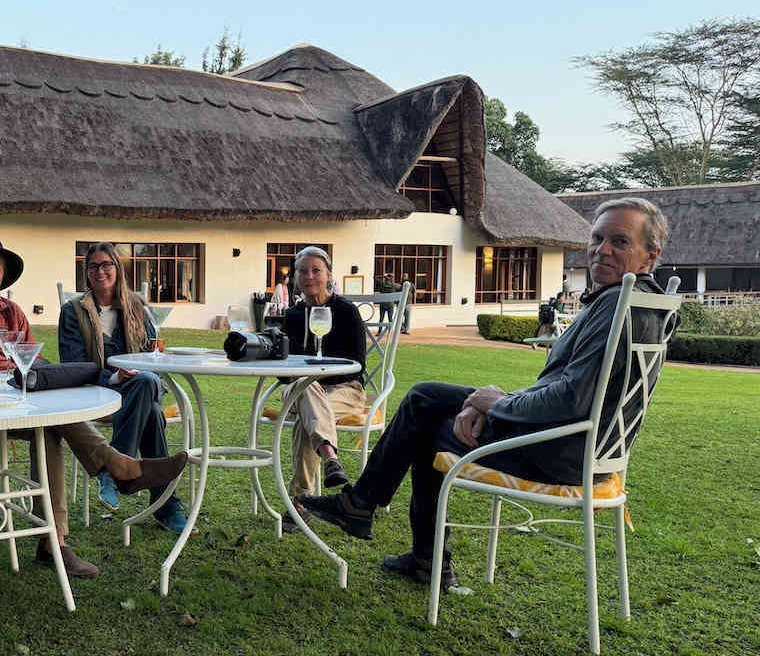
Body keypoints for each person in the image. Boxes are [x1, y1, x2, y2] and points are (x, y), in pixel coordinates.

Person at [297, 197, 671, 591]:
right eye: (597, 238)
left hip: (556, 451)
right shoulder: (642, 302)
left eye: (620, 242)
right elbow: (574, 391)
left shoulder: (617, 306)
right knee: (427, 398)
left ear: (650, 255)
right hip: (578, 445)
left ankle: (384, 523)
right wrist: (485, 401)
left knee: (424, 422)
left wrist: (498, 405)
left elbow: (569, 399)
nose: (602, 249)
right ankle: (385, 525)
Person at [0, 233, 187, 578]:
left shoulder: (13, 313)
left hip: (12, 404)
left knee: (56, 422)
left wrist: (25, 374)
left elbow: (30, 362)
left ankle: (54, 542)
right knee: (65, 421)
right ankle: (117, 469)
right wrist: (4, 371)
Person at [58, 241, 187, 532]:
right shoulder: (74, 312)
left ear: (118, 269)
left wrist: (140, 370)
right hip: (98, 393)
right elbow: (72, 364)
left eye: (106, 265)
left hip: (143, 384)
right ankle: (165, 504)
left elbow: (154, 356)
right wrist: (112, 378)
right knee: (152, 413)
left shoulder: (138, 307)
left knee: (144, 381)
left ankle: (112, 472)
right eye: (93, 266)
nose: (99, 271)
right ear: (86, 272)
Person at [281, 247, 367, 498]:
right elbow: (282, 366)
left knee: (306, 419)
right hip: (299, 391)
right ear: (296, 277)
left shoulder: (346, 311)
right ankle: (330, 456)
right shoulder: (293, 315)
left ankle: (301, 501)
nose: (309, 276)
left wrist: (318, 377)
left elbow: (357, 363)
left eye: (316, 270)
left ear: (328, 275)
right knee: (306, 388)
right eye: (303, 271)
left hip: (345, 391)